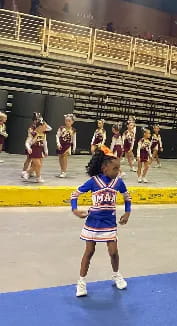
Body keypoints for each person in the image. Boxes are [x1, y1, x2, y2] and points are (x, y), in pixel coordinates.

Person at [70, 145, 131, 297]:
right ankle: (81, 282)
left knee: (114, 252)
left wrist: (127, 212)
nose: (118, 172)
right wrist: (75, 210)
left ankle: (116, 274)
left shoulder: (118, 182)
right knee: (89, 252)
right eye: (115, 168)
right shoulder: (93, 182)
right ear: (104, 168)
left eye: (119, 168)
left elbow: (127, 197)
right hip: (93, 222)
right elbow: (74, 195)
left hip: (109, 223)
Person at [22, 117, 49, 183]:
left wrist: (46, 150)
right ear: (40, 127)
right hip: (33, 149)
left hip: (40, 149)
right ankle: (38, 177)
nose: (46, 128)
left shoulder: (43, 134)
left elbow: (45, 142)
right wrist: (28, 148)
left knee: (36, 165)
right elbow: (27, 142)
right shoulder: (33, 133)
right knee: (38, 165)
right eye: (44, 126)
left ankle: (27, 173)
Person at [56, 114, 76, 178]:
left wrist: (74, 147)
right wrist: (58, 143)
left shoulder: (73, 130)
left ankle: (64, 171)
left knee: (64, 157)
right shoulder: (61, 128)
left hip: (68, 145)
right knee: (60, 157)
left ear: (72, 122)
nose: (67, 122)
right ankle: (62, 170)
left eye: (69, 121)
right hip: (61, 144)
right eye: (66, 121)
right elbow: (57, 136)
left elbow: (74, 139)